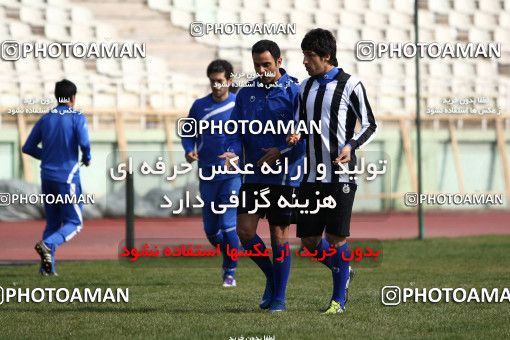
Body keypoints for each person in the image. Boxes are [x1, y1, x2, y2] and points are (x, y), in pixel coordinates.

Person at [288, 28, 377, 314]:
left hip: (341, 176)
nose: (304, 62)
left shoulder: (351, 85)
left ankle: (338, 301)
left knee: (337, 239)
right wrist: (294, 134)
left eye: (309, 56)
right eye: (303, 56)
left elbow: (370, 124)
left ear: (326, 56)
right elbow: (300, 124)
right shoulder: (304, 88)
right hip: (311, 176)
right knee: (310, 243)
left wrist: (351, 144)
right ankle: (344, 268)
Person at [219, 40, 304, 312]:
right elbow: (234, 130)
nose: (262, 69)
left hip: (284, 176)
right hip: (254, 174)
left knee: (279, 236)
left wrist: (281, 150)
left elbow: (304, 137)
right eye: (257, 65)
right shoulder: (246, 93)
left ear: (279, 62)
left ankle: (279, 297)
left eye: (266, 64)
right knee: (245, 231)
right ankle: (272, 276)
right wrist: (232, 152)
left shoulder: (296, 92)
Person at [181, 59, 241, 287]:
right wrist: (189, 150)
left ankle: (231, 273)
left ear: (230, 80)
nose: (217, 86)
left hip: (232, 175)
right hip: (207, 175)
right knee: (212, 232)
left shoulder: (238, 105)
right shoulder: (199, 106)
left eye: (220, 81)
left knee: (227, 225)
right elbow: (188, 134)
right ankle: (230, 257)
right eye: (213, 82)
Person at [22, 79, 91, 276]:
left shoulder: (46, 119)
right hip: (67, 178)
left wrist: (48, 155)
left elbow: (27, 147)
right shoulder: (77, 117)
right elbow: (84, 143)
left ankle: (47, 270)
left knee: (52, 223)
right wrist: (87, 157)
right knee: (75, 223)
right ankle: (47, 244)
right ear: (72, 98)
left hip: (47, 178)